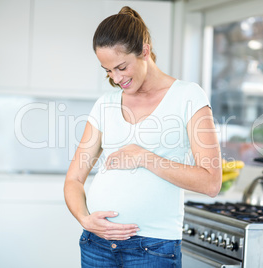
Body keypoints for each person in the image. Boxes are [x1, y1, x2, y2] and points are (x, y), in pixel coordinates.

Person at [64, 6, 222, 268]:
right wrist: (84, 218)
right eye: (108, 70)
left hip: (153, 248)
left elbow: (210, 182)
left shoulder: (187, 97)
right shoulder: (105, 104)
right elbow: (73, 179)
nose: (116, 78)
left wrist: (145, 157)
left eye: (121, 67)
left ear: (145, 51)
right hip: (97, 245)